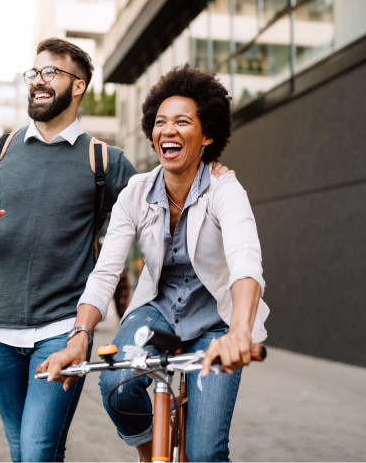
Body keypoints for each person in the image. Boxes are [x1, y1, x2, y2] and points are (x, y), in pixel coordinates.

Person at [39, 64, 270, 462]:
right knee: (116, 382)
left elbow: (245, 260)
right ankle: (151, 452)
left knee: (204, 454)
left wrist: (239, 333)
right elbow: (107, 271)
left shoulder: (224, 189)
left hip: (216, 320)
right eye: (161, 122)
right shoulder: (135, 192)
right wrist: (79, 337)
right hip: (158, 311)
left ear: (207, 135)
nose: (168, 130)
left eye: (183, 121)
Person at [0, 38, 138, 462]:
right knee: (24, 452)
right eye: (33, 73)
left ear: (78, 86)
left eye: (50, 72)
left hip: (61, 330)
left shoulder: (104, 161)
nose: (37, 81)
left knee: (36, 452)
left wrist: (207, 167)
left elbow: (157, 209)